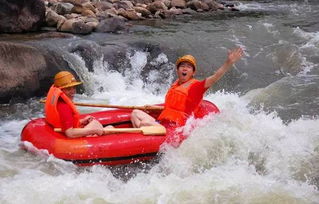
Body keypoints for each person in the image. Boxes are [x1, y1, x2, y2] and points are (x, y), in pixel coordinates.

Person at [131, 47, 244, 127]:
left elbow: (215, 77)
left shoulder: (196, 87)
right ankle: (142, 136)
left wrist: (228, 62)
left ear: (193, 72)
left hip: (176, 128)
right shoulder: (175, 85)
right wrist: (153, 108)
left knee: (144, 123)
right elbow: (171, 108)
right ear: (177, 70)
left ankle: (142, 135)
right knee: (135, 113)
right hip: (162, 123)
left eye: (188, 67)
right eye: (182, 66)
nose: (185, 68)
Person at [45, 71, 104, 138]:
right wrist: (93, 130)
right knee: (96, 125)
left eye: (74, 87)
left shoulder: (59, 102)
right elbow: (70, 133)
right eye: (68, 89)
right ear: (60, 90)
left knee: (97, 124)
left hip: (61, 132)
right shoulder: (64, 107)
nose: (73, 91)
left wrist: (81, 121)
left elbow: (64, 122)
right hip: (72, 138)